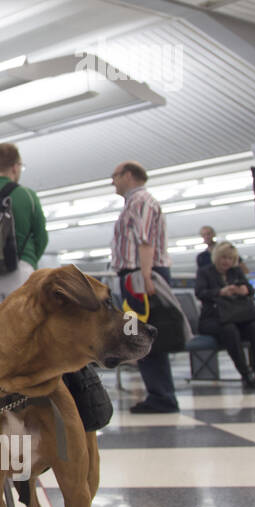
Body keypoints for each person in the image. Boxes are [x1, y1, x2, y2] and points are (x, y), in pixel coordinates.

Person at [111, 160, 178, 414]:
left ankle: (162, 396)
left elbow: (146, 240)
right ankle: (159, 393)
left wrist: (146, 276)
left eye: (115, 176)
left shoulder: (141, 201)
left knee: (144, 334)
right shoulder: (133, 202)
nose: (113, 182)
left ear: (128, 175)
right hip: (136, 275)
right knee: (138, 334)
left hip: (140, 275)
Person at [0, 142, 48, 314]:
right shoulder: (26, 195)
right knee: (23, 330)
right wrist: (28, 261)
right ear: (15, 167)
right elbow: (41, 237)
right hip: (19, 270)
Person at [195, 241, 255, 390]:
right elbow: (200, 293)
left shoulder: (236, 272)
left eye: (230, 258)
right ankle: (245, 373)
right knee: (229, 331)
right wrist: (220, 292)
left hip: (238, 316)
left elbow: (250, 289)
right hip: (214, 319)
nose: (226, 262)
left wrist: (244, 290)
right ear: (217, 257)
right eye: (224, 258)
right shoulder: (205, 272)